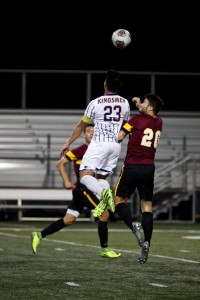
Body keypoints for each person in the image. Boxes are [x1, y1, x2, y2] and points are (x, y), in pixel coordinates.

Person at [31, 124, 121, 258]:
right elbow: (60, 163)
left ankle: (39, 235)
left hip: (86, 190)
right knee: (104, 215)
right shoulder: (82, 150)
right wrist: (66, 181)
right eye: (88, 131)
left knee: (69, 220)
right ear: (84, 134)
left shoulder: (100, 150)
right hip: (83, 190)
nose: (91, 133)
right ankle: (104, 250)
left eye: (94, 131)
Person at [60, 69, 130, 218]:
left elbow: (81, 126)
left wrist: (68, 142)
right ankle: (104, 200)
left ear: (105, 84)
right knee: (100, 179)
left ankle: (105, 194)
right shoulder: (125, 103)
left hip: (100, 144)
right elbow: (126, 124)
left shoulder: (96, 102)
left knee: (84, 176)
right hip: (115, 146)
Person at [114, 93, 164, 264]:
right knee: (147, 205)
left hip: (133, 165)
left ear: (149, 107)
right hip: (149, 167)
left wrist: (122, 121)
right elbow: (146, 117)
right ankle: (147, 243)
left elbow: (120, 137)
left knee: (119, 200)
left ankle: (133, 225)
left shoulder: (136, 120)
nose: (141, 103)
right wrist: (138, 104)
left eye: (144, 102)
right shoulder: (159, 122)